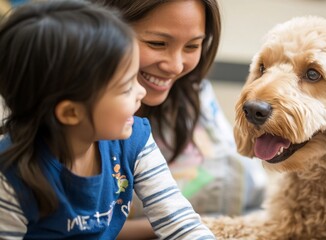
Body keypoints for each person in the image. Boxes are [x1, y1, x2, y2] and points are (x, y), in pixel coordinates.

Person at [0, 1, 215, 239]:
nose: (141, 93)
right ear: (71, 112)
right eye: (126, 88)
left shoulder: (136, 140)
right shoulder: (10, 178)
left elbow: (180, 223)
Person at [89, 0, 267, 239]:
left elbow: (184, 220)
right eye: (157, 43)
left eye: (192, 46)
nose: (175, 66)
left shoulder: (191, 97)